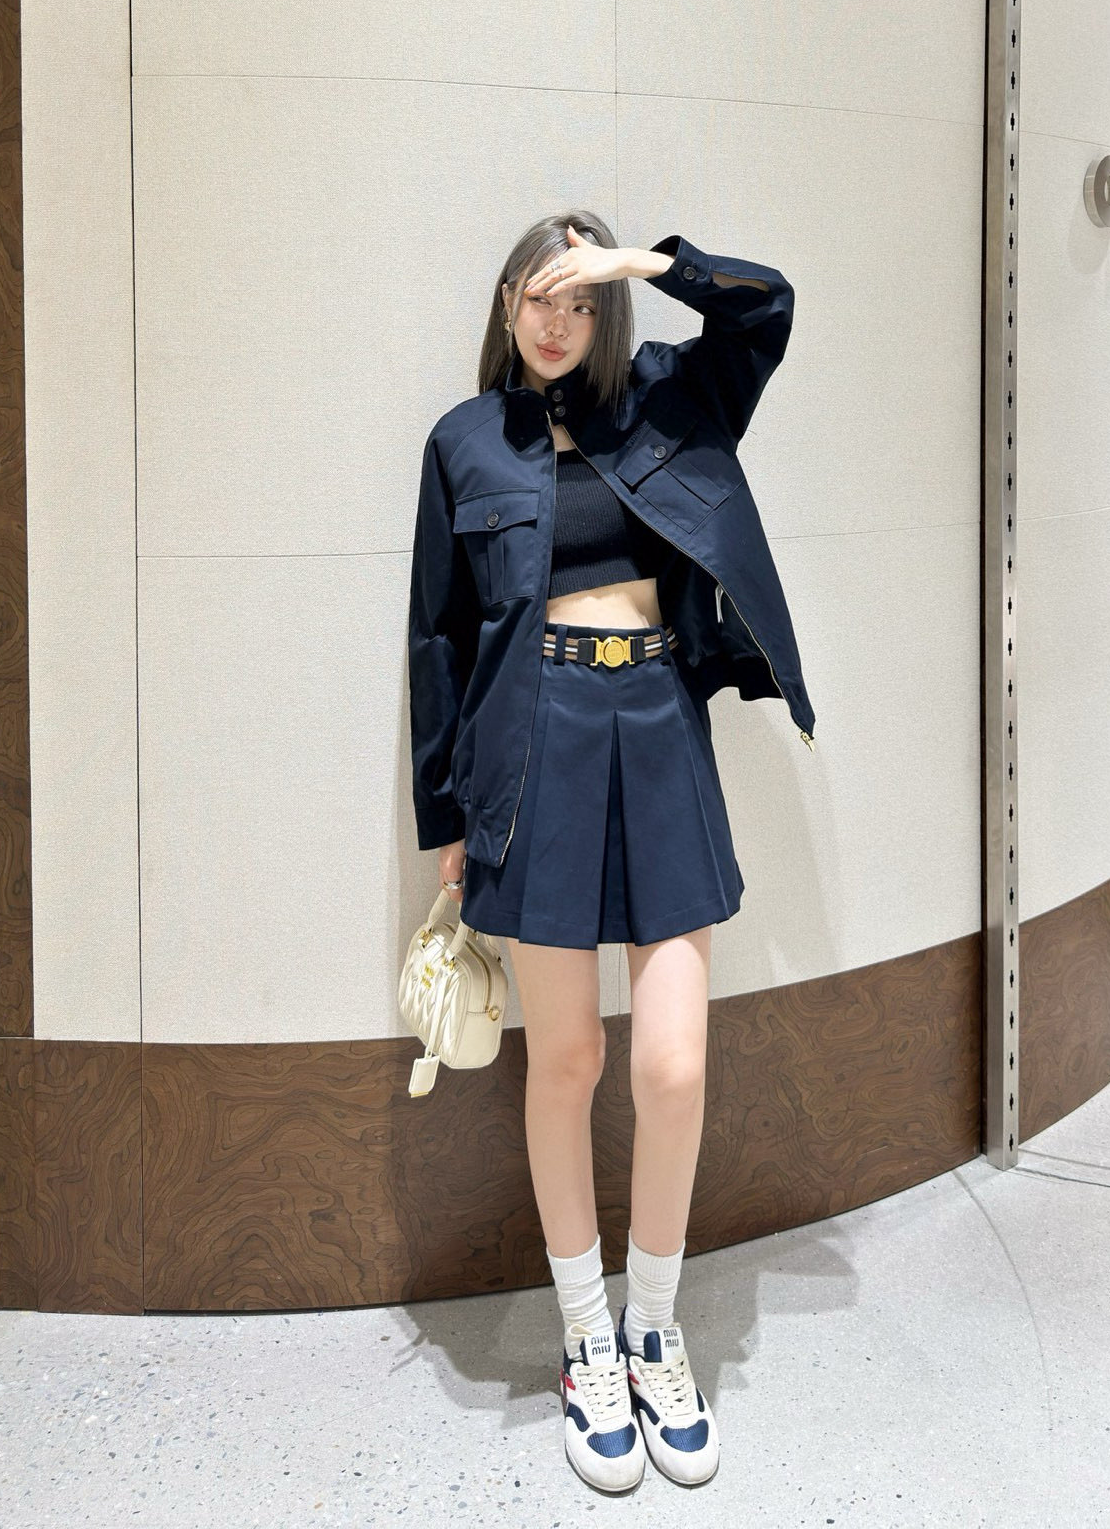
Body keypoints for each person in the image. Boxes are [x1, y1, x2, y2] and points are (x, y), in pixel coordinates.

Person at [407, 211, 815, 1495]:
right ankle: (588, 1341)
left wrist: (642, 261)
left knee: (674, 1062)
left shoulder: (669, 404)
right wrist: (444, 819)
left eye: (580, 298)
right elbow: (436, 637)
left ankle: (655, 1328)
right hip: (534, 738)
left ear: (608, 312)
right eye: (538, 293)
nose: (556, 319)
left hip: (658, 719)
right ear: (505, 304)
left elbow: (765, 307)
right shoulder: (463, 442)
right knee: (570, 1057)